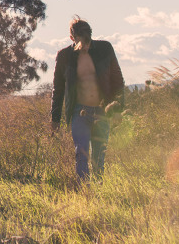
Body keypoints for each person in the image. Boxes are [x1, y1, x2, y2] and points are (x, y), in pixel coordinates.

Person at [51, 16, 125, 183]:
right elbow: (58, 89)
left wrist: (117, 110)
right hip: (79, 112)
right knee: (81, 152)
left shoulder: (105, 49)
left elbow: (117, 80)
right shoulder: (64, 56)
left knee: (99, 155)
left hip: (102, 112)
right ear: (72, 38)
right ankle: (85, 189)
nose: (84, 45)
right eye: (80, 42)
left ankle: (99, 188)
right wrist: (55, 119)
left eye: (87, 41)